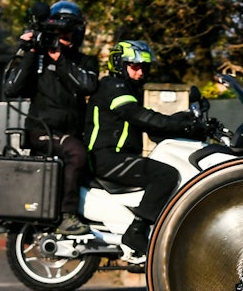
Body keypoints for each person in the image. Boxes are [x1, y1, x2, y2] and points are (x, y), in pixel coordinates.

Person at [84, 40, 205, 255]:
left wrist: (185, 120)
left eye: (144, 68)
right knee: (166, 175)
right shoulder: (113, 86)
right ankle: (137, 231)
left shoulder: (128, 90)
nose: (140, 72)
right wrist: (183, 127)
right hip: (106, 158)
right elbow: (139, 116)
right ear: (120, 65)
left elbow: (153, 126)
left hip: (117, 156)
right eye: (135, 66)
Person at [3, 0, 99, 235]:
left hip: (71, 133)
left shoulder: (85, 62)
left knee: (88, 158)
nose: (62, 36)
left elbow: (87, 85)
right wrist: (30, 52)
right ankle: (67, 216)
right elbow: (11, 89)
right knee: (77, 153)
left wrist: (60, 59)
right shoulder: (38, 59)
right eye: (57, 31)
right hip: (41, 131)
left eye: (67, 31)